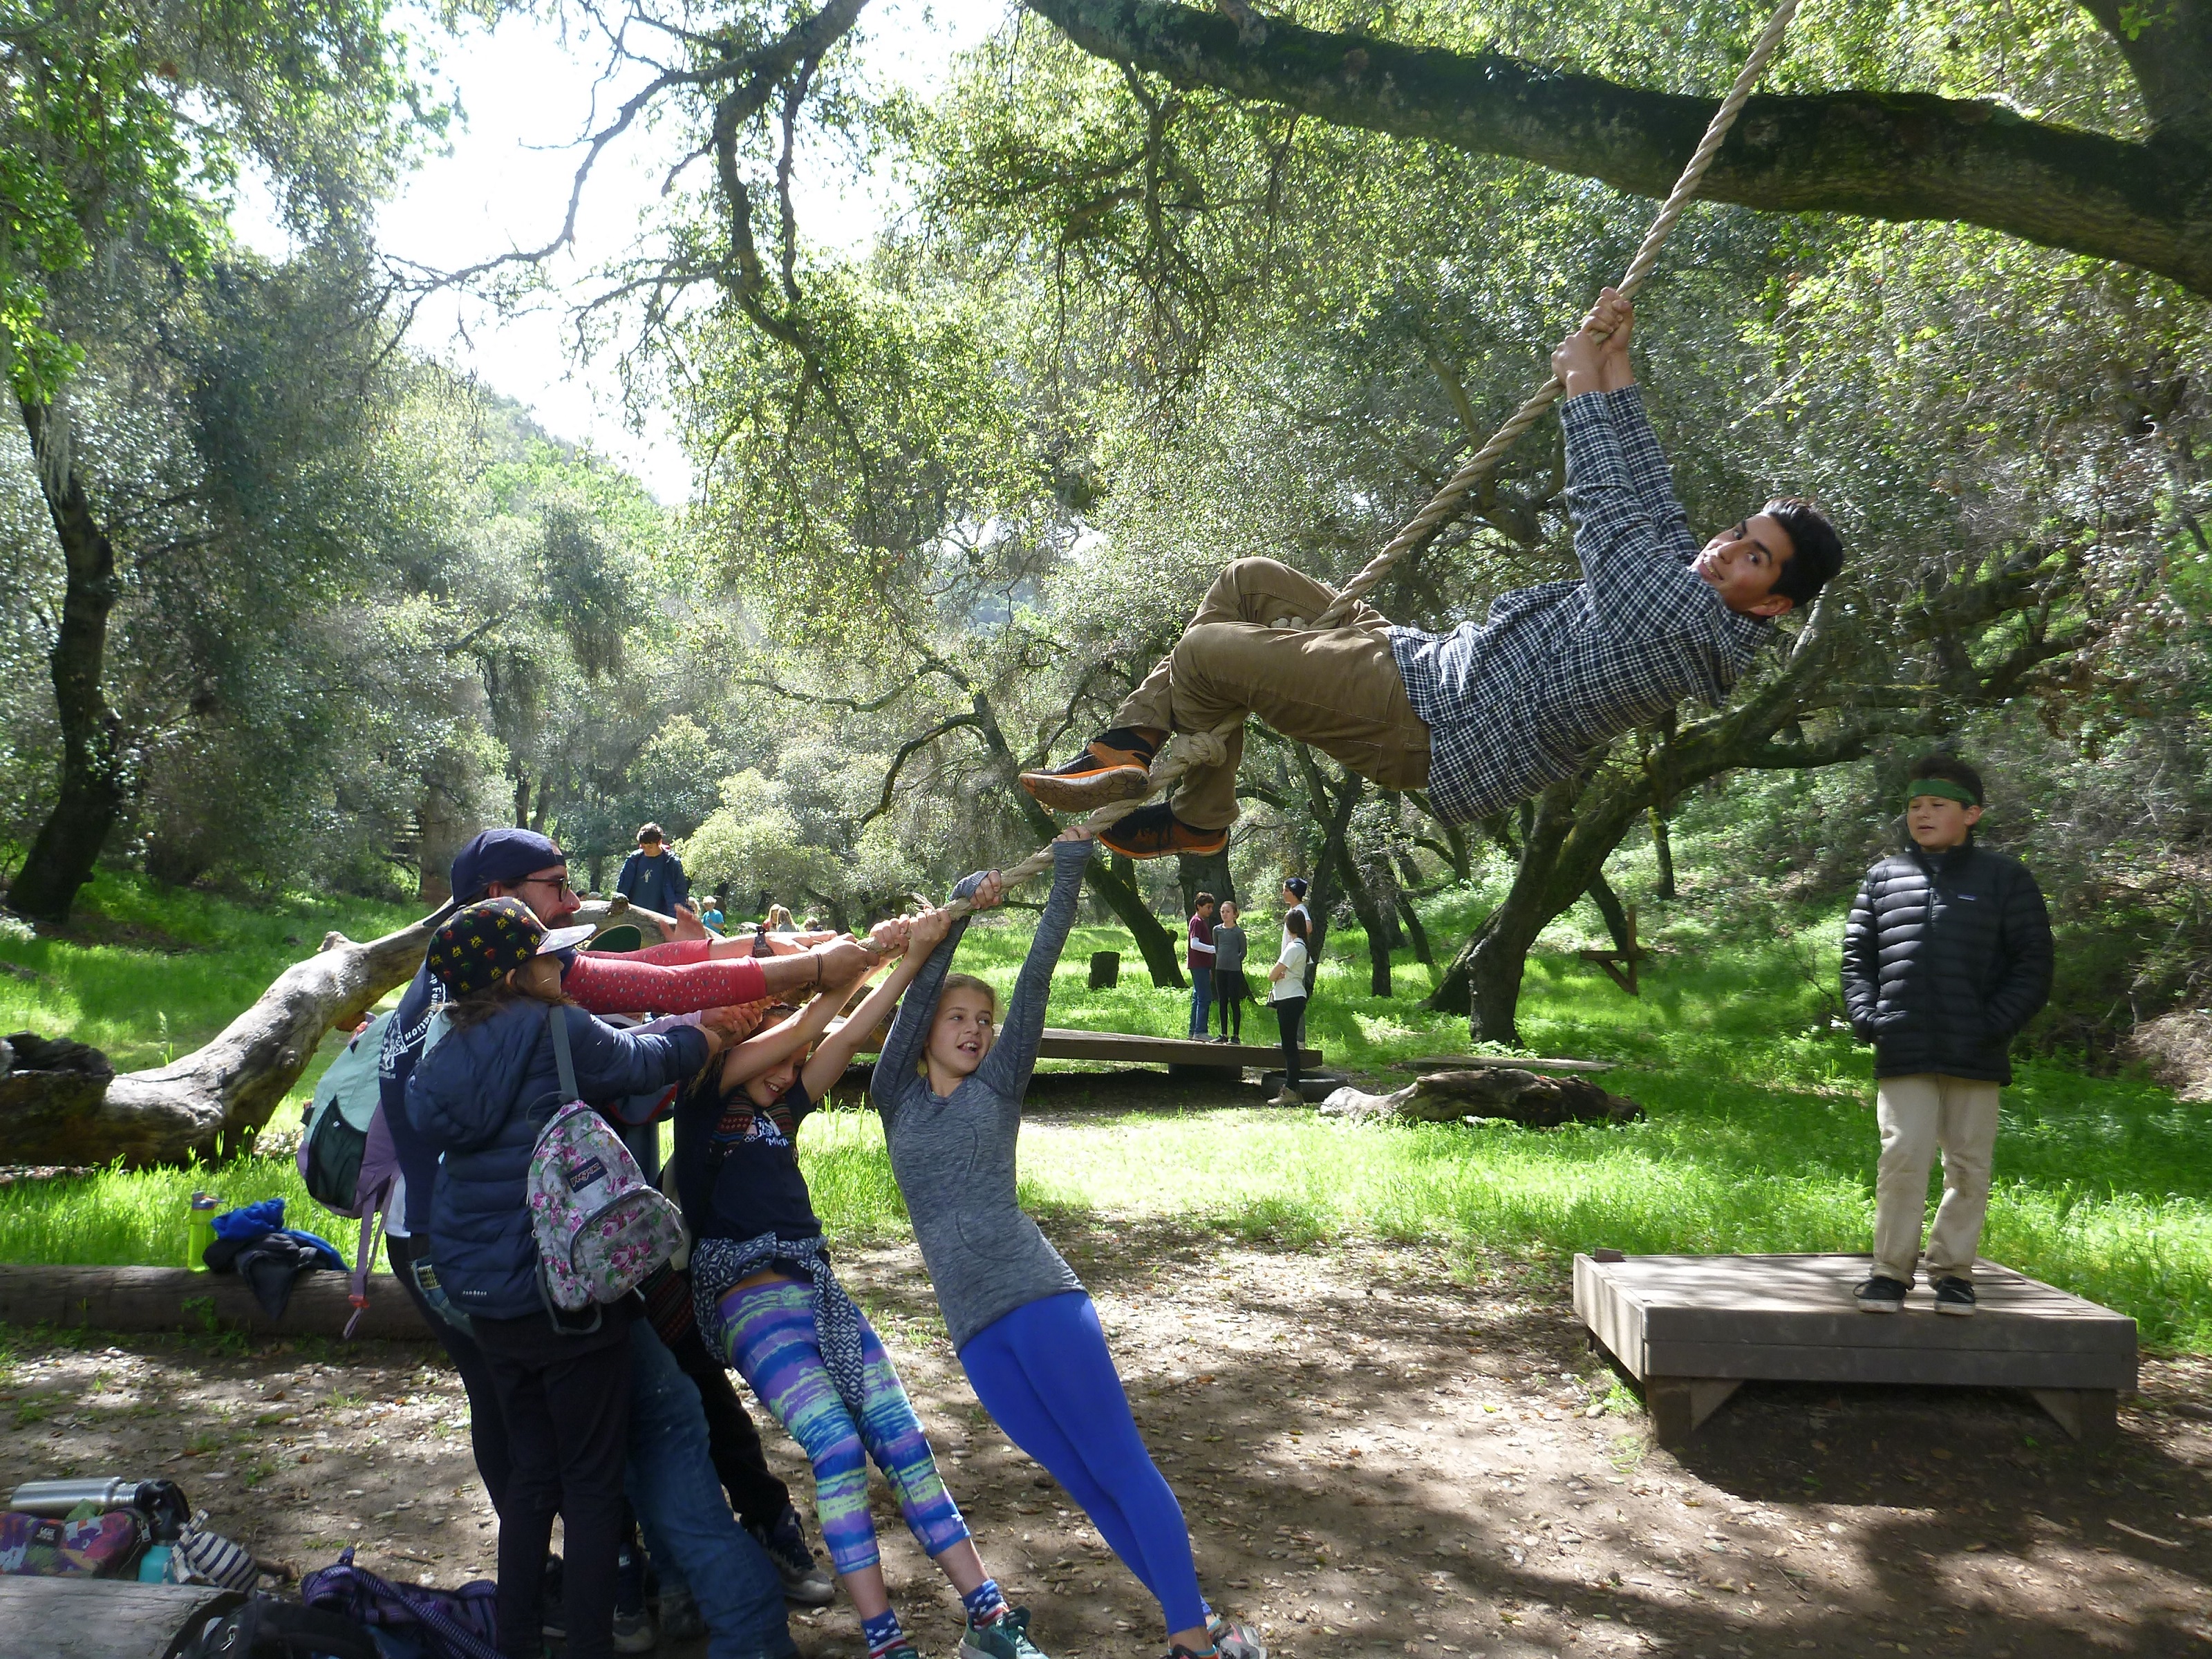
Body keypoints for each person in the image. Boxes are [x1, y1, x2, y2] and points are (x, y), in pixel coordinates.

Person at [1019, 288, 1844, 858]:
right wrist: (1615, 362)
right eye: (1737, 532)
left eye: (1752, 557)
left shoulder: (1684, 626)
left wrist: (1579, 385)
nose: (1724, 549)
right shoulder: (1690, 588)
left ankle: (1167, 787)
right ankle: (1163, 786)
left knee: (1205, 656)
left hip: (1424, 724)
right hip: (1425, 664)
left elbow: (1610, 515)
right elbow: (1653, 499)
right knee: (1247, 581)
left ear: (1772, 602)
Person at [377, 829, 861, 1605]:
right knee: (645, 1407)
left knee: (541, 1416)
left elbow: (659, 966)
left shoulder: (464, 982)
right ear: (502, 900)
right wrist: (802, 973)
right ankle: (663, 1587)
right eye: (556, 885)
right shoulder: (521, 990)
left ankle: (612, 1585)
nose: (574, 904)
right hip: (536, 1246)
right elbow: (664, 988)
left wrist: (772, 951)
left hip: (481, 1243)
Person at [872, 830, 1265, 1659]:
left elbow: (1038, 973)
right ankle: (1201, 1624)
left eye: (983, 1021)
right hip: (975, 1334)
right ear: (928, 1030)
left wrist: (1069, 870)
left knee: (1120, 1467)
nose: (974, 1030)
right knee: (1087, 1486)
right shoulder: (893, 1099)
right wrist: (962, 905)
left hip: (1040, 1301)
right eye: (958, 1019)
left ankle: (1190, 1643)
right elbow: (915, 994)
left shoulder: (997, 1086)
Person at [673, 935, 1044, 1659]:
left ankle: (989, 1616)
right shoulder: (704, 1099)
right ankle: (884, 1640)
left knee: (905, 1443)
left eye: (792, 1065)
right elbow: (812, 1026)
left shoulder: (783, 1110)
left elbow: (840, 1036)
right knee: (837, 1447)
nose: (786, 1074)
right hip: (748, 1304)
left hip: (819, 1295)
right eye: (773, 1056)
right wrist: (855, 962)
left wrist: (907, 961)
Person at [405, 899, 730, 1659]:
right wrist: (707, 1035)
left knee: (530, 1479)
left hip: (485, 1299)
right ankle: (589, 1643)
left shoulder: (440, 1053)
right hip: (564, 1297)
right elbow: (642, 1063)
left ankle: (516, 1642)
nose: (565, 963)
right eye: (549, 955)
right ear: (513, 975)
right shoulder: (554, 1027)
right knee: (590, 1485)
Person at [1841, 754, 2053, 1316]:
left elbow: (2033, 965)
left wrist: (1993, 1025)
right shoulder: (1884, 877)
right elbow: (1858, 958)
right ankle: (1889, 1273)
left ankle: (1954, 1273)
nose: (1923, 814)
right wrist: (1869, 1018)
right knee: (1901, 1158)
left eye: (1937, 804)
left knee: (1968, 1166)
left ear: (1971, 814)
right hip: (1903, 1045)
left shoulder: (2006, 879)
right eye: (1915, 805)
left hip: (1976, 1050)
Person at [1267, 911, 1311, 1107]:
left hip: (1290, 998)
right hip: (1293, 996)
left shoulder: (1294, 947)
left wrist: (1278, 974)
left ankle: (1291, 1090)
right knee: (1289, 1045)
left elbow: (1272, 974)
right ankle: (1294, 1090)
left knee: (1289, 1047)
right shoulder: (1302, 946)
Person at [619, 823, 694, 918]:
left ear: (659, 842)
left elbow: (680, 893)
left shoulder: (671, 863)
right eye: (644, 847)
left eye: (650, 847)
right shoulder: (633, 861)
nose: (647, 850)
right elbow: (621, 890)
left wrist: (675, 916)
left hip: (662, 917)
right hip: (633, 916)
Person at [1210, 901, 1249, 1043]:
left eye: (1228, 912)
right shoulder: (1217, 930)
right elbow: (1217, 947)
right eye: (1222, 912)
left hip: (1234, 970)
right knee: (1222, 1001)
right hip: (1220, 969)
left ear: (1235, 914)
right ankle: (1223, 1034)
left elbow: (1243, 952)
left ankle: (1236, 1035)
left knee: (1234, 1001)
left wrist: (1234, 961)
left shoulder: (1238, 932)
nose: (1225, 914)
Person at [1185, 893, 1217, 1040]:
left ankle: (1193, 1031)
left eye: (1211, 907)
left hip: (1201, 965)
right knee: (1205, 998)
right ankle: (1200, 1031)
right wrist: (1214, 949)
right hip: (1198, 964)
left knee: (1198, 997)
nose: (1211, 910)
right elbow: (1194, 944)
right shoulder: (1197, 921)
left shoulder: (1200, 921)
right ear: (1199, 906)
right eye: (1208, 907)